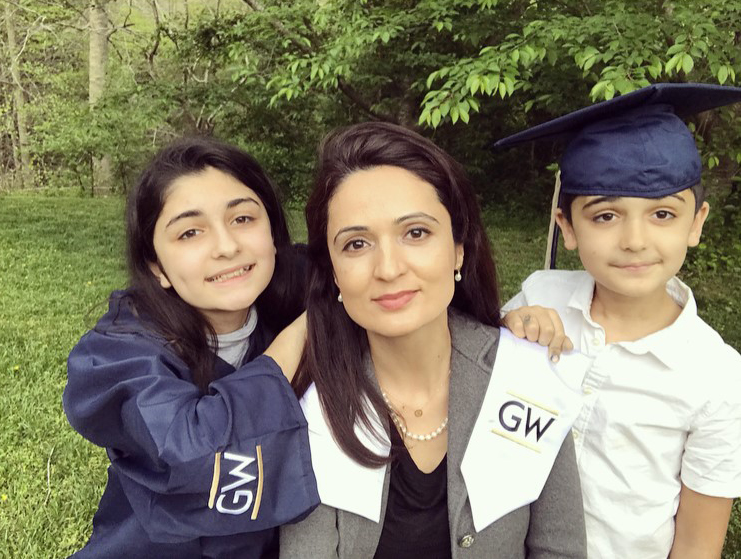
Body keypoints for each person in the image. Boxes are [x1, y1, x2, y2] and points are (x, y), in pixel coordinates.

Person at [280, 122, 587, 558]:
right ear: (333, 271)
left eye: (416, 233)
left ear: (459, 249)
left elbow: (560, 549)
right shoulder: (311, 403)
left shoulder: (525, 376)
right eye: (356, 244)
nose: (388, 268)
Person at [497, 83, 741, 559]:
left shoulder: (720, 378)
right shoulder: (539, 294)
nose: (634, 240)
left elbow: (697, 544)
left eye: (663, 214)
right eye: (605, 216)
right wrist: (508, 326)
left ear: (696, 223)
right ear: (566, 227)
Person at [63, 137, 319, 559]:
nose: (226, 246)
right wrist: (302, 336)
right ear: (156, 267)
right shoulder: (119, 356)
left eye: (242, 218)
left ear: (272, 232)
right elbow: (191, 453)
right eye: (190, 232)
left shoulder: (290, 296)